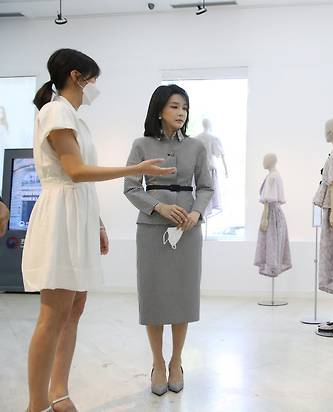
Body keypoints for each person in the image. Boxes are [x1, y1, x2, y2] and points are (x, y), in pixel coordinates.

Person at [21, 48, 175, 412]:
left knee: (74, 308)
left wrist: (98, 221)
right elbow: (73, 171)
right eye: (93, 80)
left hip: (78, 214)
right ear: (77, 77)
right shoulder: (56, 111)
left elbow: (80, 178)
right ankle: (36, 404)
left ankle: (59, 392)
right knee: (53, 313)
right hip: (60, 217)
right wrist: (135, 169)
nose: (95, 88)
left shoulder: (72, 115)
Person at [124, 84, 213, 396]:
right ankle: (157, 363)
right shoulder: (141, 145)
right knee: (154, 297)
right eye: (175, 106)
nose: (181, 113)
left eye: (184, 108)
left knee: (181, 297)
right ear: (160, 109)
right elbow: (131, 187)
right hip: (151, 230)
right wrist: (158, 206)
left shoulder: (197, 147)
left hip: (187, 232)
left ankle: (176, 361)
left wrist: (196, 214)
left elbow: (206, 187)